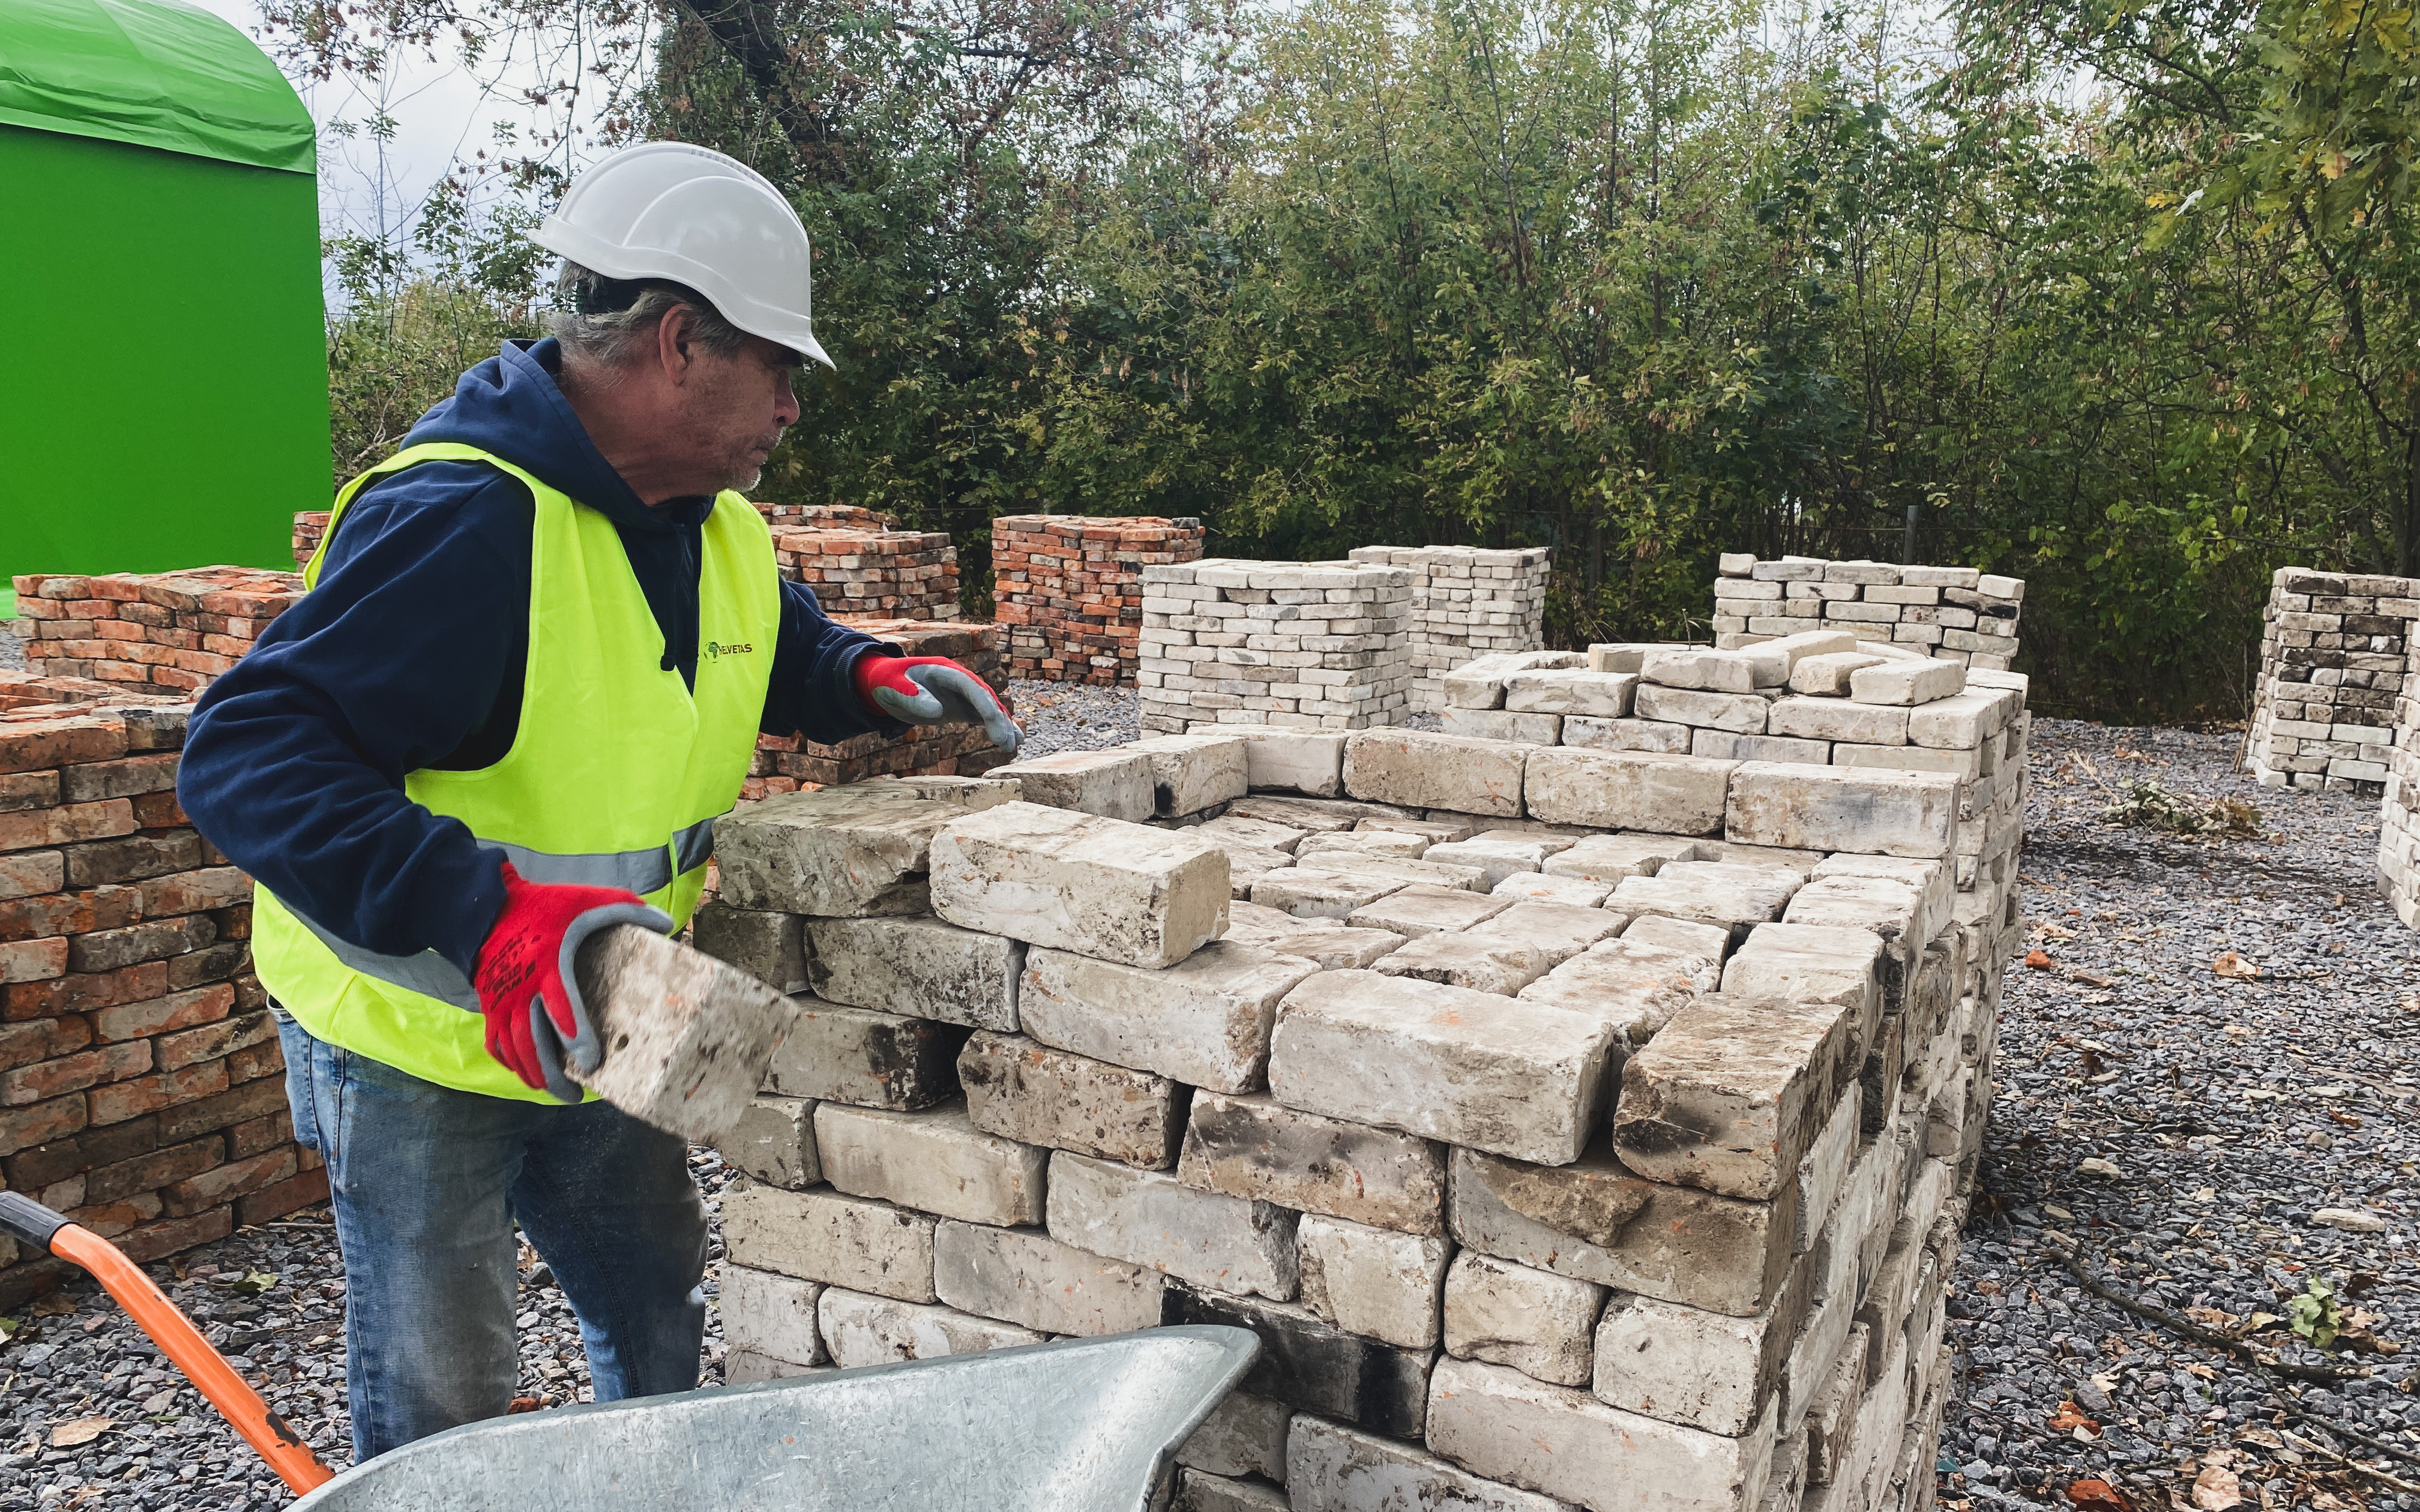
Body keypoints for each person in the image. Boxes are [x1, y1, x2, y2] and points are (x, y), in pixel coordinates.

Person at [178, 140, 1019, 1462]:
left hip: (605, 1014)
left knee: (655, 1301)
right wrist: (485, 912)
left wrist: (861, 672)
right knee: (446, 1389)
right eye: (779, 368)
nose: (792, 408)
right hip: (422, 1039)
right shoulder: (467, 521)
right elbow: (244, 752)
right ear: (681, 340)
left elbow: (761, 641)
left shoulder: (708, 517)